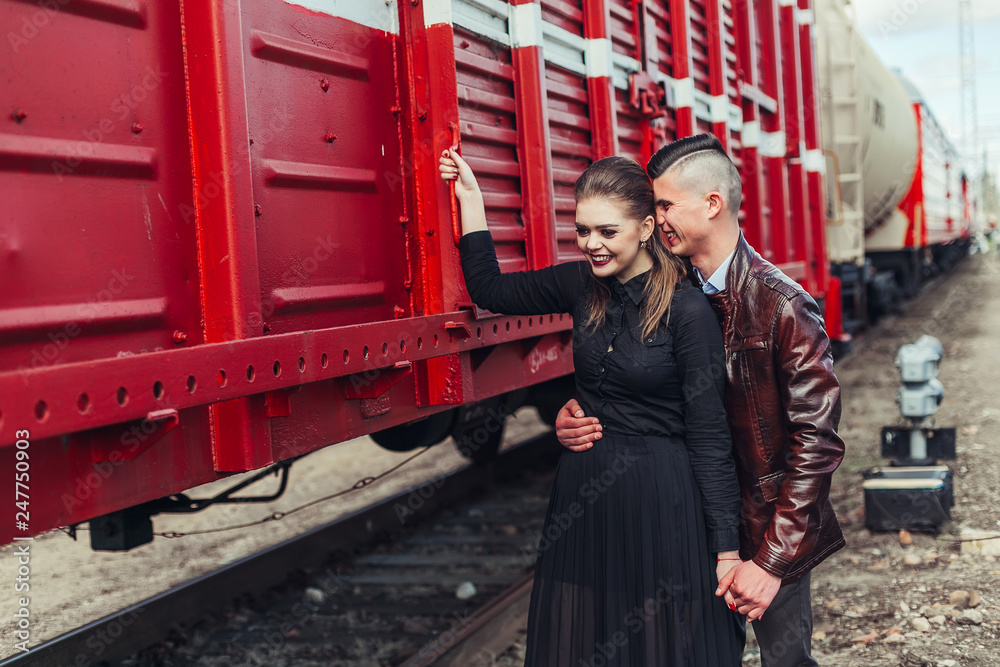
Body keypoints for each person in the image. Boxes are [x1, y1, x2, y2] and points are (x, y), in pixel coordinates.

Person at [440, 149, 743, 665]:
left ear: (647, 227)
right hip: (586, 490)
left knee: (663, 643)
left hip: (661, 496)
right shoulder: (581, 284)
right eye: (582, 231)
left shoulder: (687, 309)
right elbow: (490, 290)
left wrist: (727, 548)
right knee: (590, 637)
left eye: (607, 231)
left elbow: (710, 433)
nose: (592, 245)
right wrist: (472, 200)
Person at [555, 134, 846, 667]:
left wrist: (773, 560)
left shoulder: (782, 305)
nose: (656, 217)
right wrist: (576, 411)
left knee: (785, 660)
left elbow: (818, 443)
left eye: (665, 204)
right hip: (689, 517)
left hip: (763, 523)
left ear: (712, 203)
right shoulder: (663, 284)